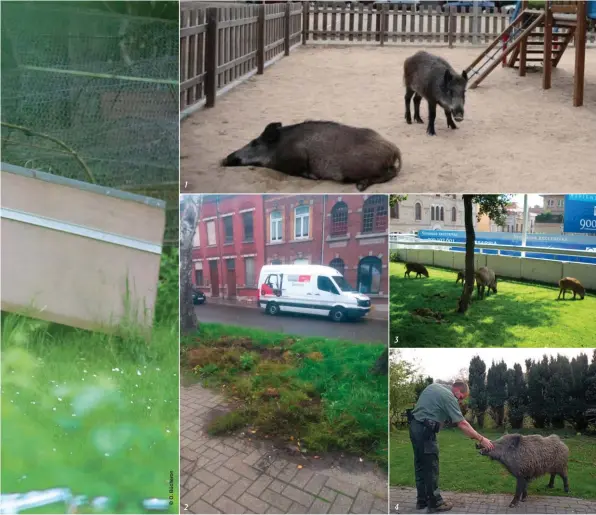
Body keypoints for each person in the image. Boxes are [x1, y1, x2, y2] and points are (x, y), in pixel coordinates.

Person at [408, 381, 495, 513]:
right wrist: (481, 439)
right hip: (425, 432)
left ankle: (422, 501)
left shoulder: (434, 386)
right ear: (458, 390)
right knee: (431, 467)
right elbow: (462, 423)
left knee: (420, 465)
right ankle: (435, 503)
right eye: (461, 398)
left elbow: (433, 409)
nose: (460, 402)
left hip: (414, 426)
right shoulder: (449, 396)